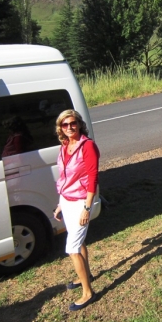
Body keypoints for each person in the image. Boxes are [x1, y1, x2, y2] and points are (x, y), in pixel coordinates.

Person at [53, 109, 100, 311]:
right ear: (60, 128)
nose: (69, 127)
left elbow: (93, 178)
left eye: (73, 123)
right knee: (78, 241)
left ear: (79, 124)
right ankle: (85, 275)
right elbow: (64, 177)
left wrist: (87, 208)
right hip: (66, 199)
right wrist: (59, 203)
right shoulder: (65, 146)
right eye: (65, 124)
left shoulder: (87, 146)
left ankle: (88, 293)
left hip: (81, 201)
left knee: (72, 248)